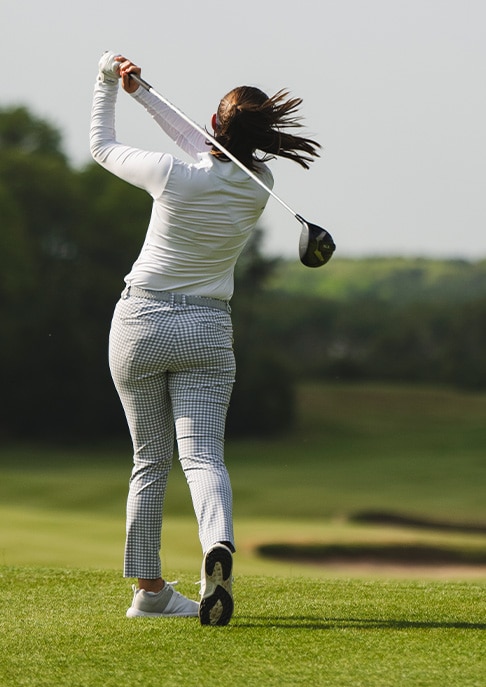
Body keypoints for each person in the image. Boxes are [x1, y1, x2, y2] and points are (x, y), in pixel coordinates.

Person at [90, 51, 321, 625]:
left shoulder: (172, 173)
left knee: (150, 460)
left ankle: (149, 592)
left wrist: (106, 82)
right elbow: (210, 147)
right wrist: (146, 93)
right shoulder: (260, 184)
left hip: (142, 323)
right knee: (203, 457)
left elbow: (101, 145)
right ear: (263, 138)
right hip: (207, 330)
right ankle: (216, 543)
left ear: (216, 125)